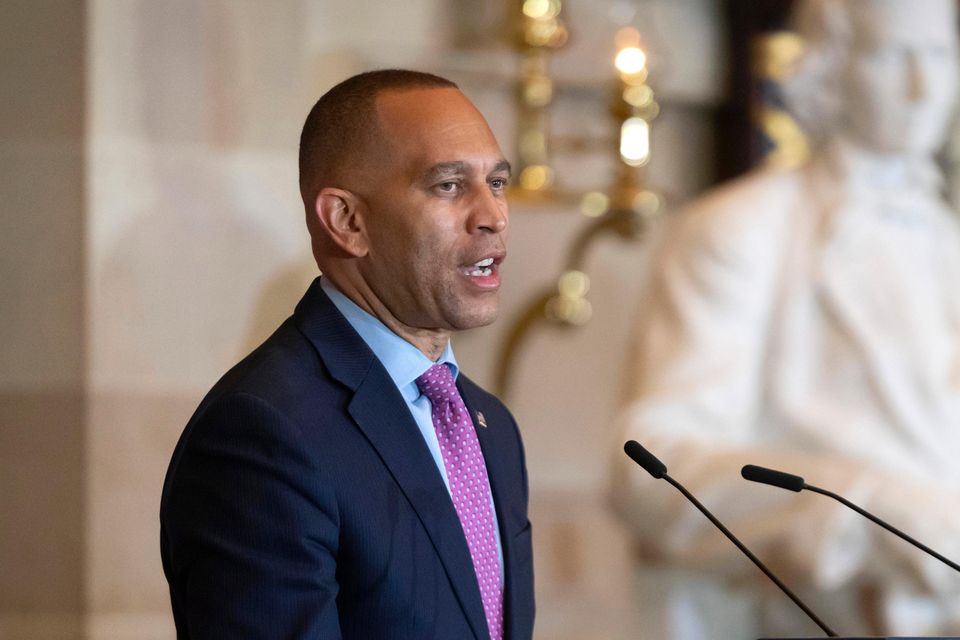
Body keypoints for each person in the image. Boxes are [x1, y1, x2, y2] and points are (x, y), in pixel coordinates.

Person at [611, 0, 960, 637]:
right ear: (830, 69)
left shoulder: (949, 240)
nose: (922, 88)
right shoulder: (742, 231)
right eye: (892, 55)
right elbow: (650, 470)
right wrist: (869, 512)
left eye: (939, 54)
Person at [160, 69, 534, 640]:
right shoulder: (263, 433)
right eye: (449, 186)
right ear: (347, 221)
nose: (493, 216)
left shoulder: (491, 427)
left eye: (498, 182)